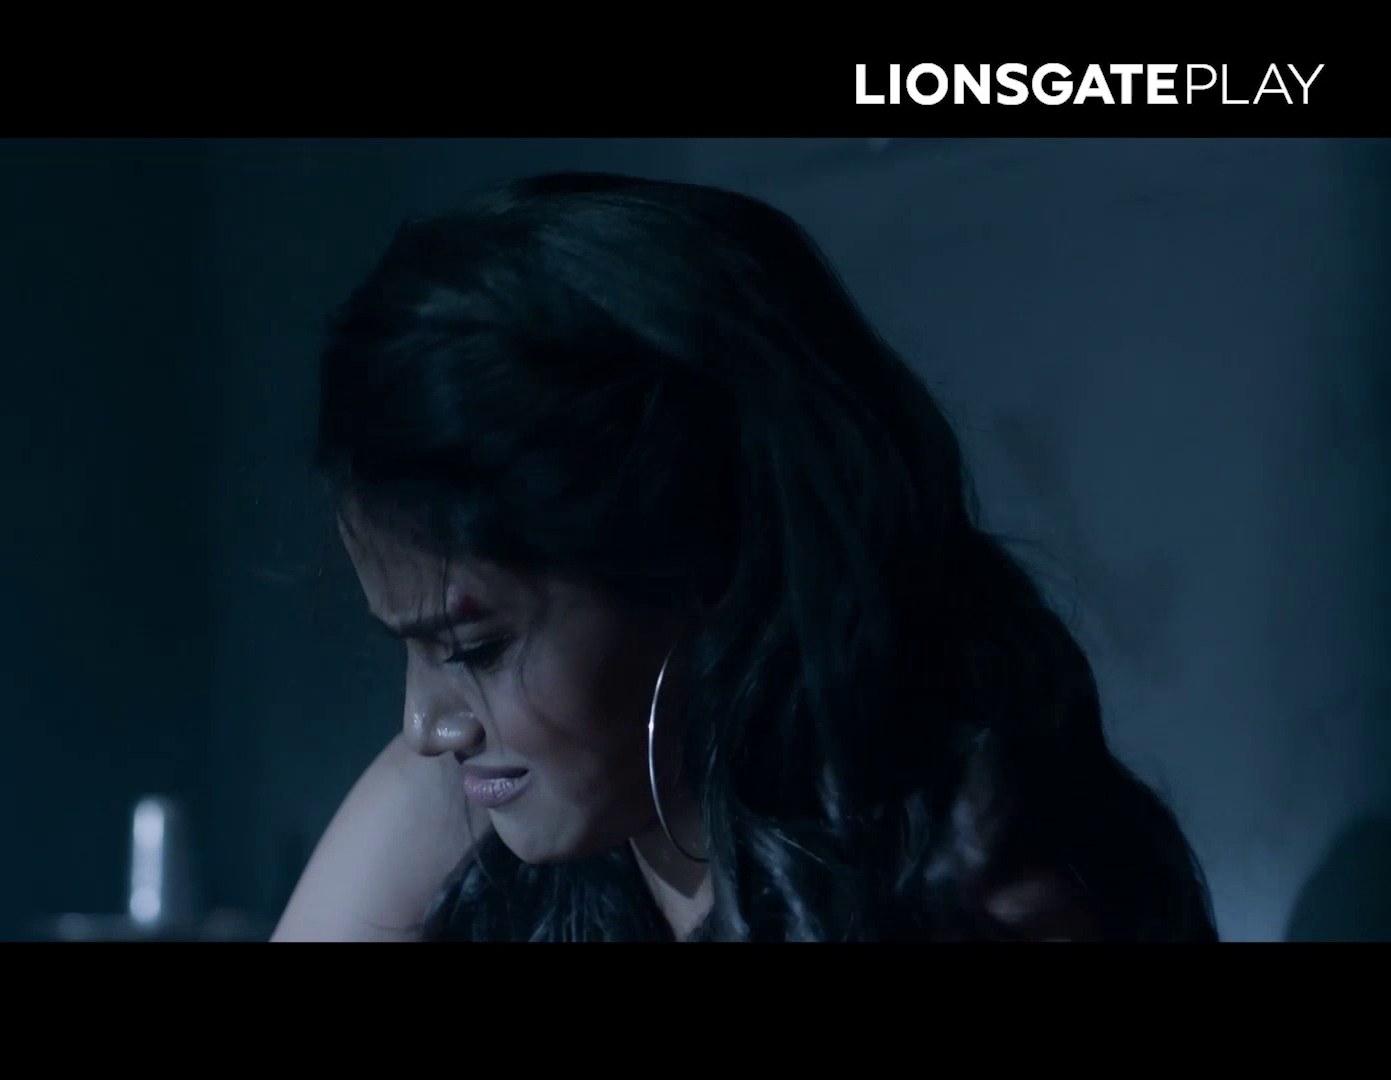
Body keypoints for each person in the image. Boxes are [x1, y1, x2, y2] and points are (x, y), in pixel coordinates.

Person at [271, 172, 1218, 942]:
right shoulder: (474, 803)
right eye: (409, 646)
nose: (425, 724)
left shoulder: (991, 903)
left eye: (474, 648)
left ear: (700, 559)